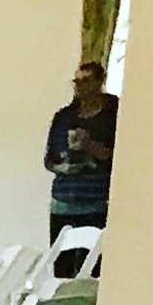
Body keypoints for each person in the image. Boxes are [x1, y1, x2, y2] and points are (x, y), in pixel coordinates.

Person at [46, 58, 119, 246]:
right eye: (76, 81)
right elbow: (49, 159)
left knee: (93, 264)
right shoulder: (63, 117)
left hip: (97, 202)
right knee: (61, 266)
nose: (80, 86)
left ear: (99, 82)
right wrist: (62, 167)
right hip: (63, 202)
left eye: (86, 80)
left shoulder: (113, 115)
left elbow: (118, 157)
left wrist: (89, 146)